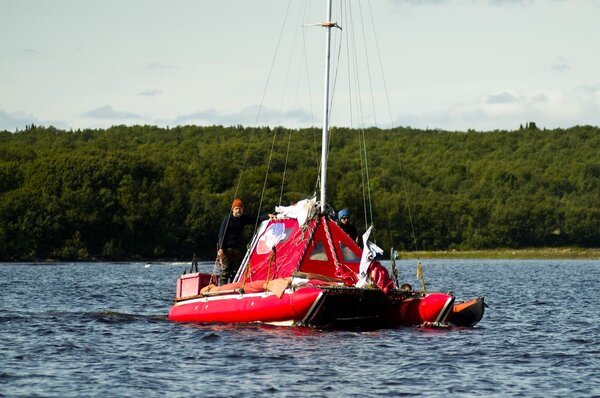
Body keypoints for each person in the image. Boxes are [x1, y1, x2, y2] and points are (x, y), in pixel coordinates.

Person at [217, 198, 255, 285]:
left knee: (236, 271)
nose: (239, 210)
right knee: (225, 271)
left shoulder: (243, 218)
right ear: (233, 209)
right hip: (226, 249)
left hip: (237, 250)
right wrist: (221, 248)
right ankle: (223, 288)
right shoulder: (227, 219)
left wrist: (268, 216)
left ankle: (233, 287)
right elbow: (222, 235)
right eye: (237, 208)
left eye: (240, 208)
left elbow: (255, 219)